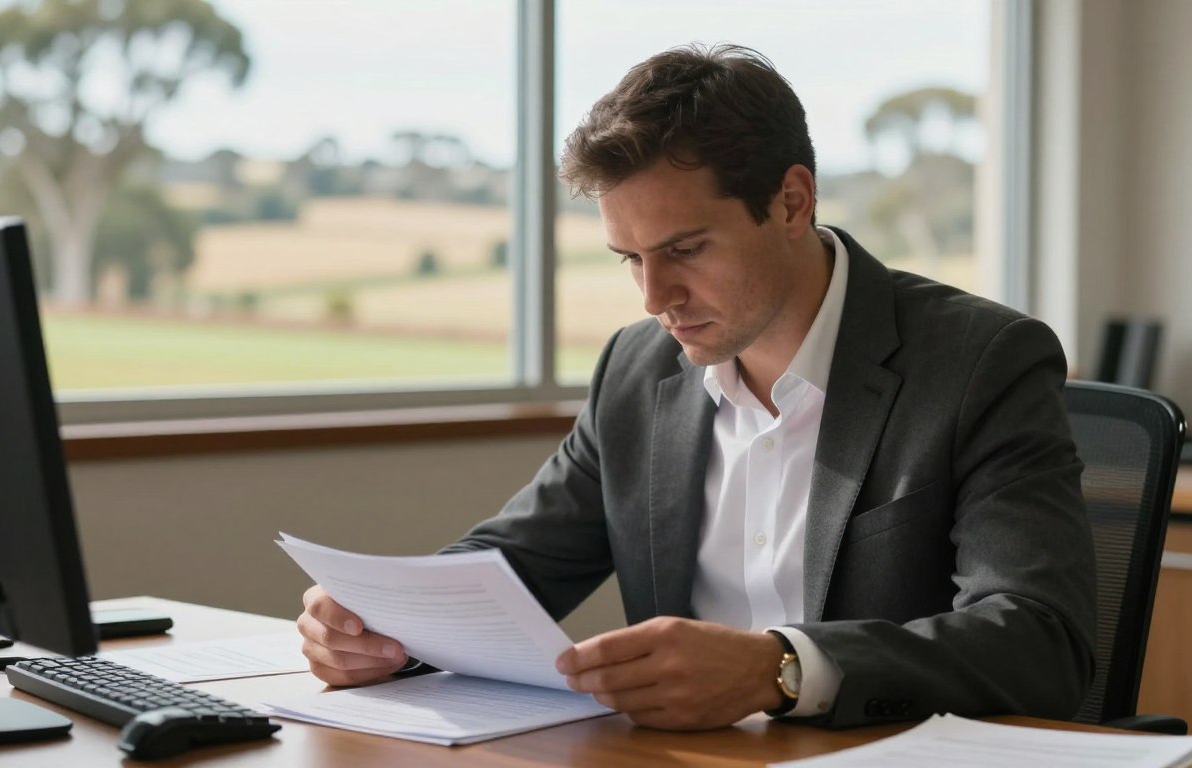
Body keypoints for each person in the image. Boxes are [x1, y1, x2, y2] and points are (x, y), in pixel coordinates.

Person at [297, 43, 1096, 731]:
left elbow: (1038, 640)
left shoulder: (980, 361)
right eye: (629, 258)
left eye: (684, 249)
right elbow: (509, 568)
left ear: (791, 201)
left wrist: (779, 670)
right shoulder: (637, 371)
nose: (653, 298)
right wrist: (380, 626)